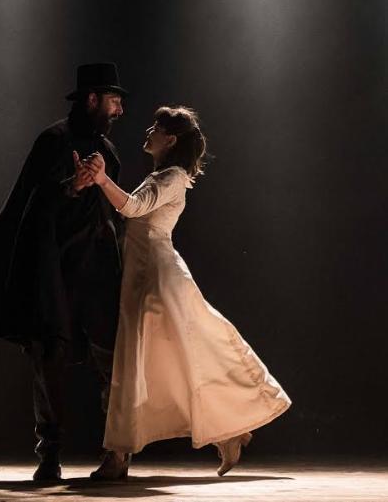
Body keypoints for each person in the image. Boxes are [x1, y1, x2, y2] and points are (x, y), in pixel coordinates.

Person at [82, 106, 291, 479]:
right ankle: (225, 432)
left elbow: (133, 207)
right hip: (143, 274)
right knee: (166, 360)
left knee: (158, 356)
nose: (149, 130)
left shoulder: (173, 177)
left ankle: (120, 454)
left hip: (157, 277)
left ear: (170, 139)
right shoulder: (163, 175)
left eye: (157, 127)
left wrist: (101, 180)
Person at [0, 63, 130, 481]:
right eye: (114, 100)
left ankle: (117, 453)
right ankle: (50, 455)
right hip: (54, 272)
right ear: (92, 99)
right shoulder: (54, 141)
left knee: (114, 361)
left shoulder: (108, 150)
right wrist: (72, 186)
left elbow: (115, 210)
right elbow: (31, 201)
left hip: (96, 272)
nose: (119, 110)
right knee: (49, 358)